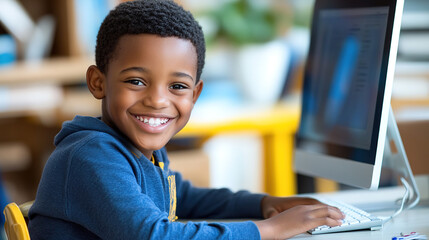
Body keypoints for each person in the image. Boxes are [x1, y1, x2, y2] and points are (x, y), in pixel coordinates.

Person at [28, 1, 344, 239]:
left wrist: (264, 203)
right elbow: (154, 235)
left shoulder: (140, 150)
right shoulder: (90, 155)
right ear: (98, 82)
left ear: (194, 94)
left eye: (177, 86)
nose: (157, 100)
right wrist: (268, 229)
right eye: (136, 81)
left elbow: (186, 198)